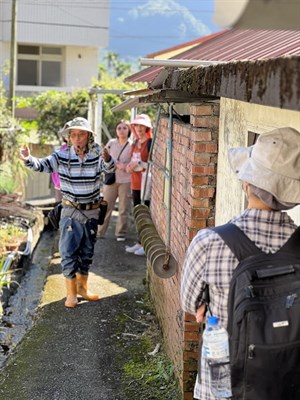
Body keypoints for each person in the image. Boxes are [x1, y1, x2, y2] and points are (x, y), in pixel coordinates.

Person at [180, 127, 300, 400]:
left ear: (247, 182)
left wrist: (208, 303)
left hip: (223, 384)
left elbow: (190, 304)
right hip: (285, 383)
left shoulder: (209, 242)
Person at [19, 117, 115, 308]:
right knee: (68, 252)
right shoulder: (60, 156)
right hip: (70, 211)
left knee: (87, 252)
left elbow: (109, 169)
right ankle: (71, 294)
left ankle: (82, 289)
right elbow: (42, 165)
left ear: (88, 136)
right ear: (69, 137)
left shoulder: (96, 155)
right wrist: (28, 159)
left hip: (93, 211)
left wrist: (107, 159)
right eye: (74, 135)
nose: (77, 138)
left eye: (81, 134)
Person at [97, 120, 132, 241]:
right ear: (116, 131)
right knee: (105, 207)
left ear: (128, 130)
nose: (121, 130)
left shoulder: (132, 145)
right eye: (119, 128)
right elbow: (104, 156)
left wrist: (125, 165)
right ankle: (99, 232)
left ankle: (120, 233)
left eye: (124, 128)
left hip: (126, 180)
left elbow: (133, 161)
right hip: (111, 178)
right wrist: (116, 163)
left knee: (123, 208)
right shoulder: (111, 143)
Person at [125, 113, 153, 256]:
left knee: (145, 214)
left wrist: (140, 164)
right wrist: (130, 166)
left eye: (142, 125)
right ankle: (139, 242)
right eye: (136, 125)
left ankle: (145, 244)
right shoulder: (135, 143)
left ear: (147, 127)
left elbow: (154, 165)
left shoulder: (150, 142)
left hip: (146, 184)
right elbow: (132, 160)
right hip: (135, 183)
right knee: (137, 214)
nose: (139, 128)